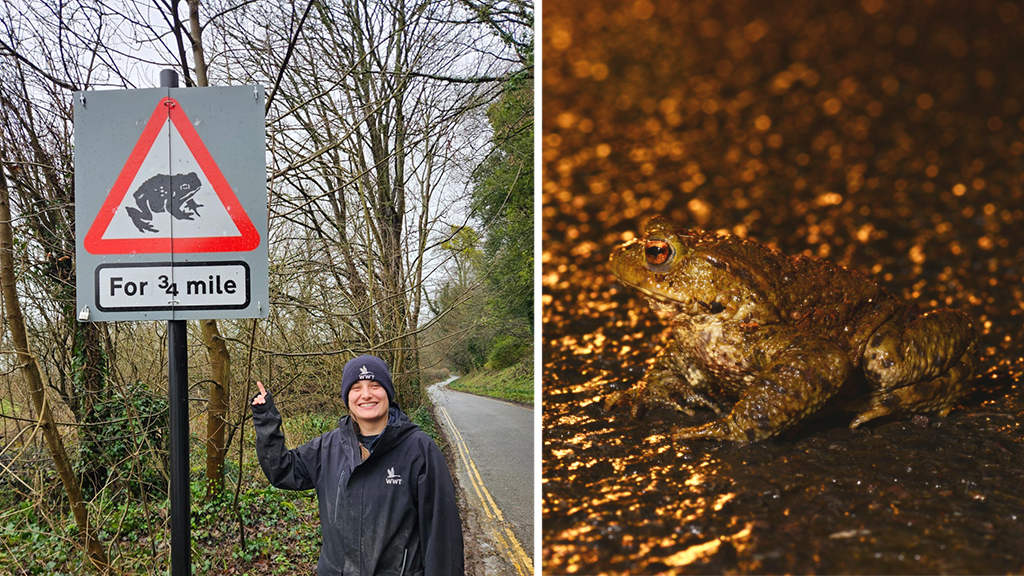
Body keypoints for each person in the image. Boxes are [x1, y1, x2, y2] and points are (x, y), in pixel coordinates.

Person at [251, 354, 464, 575]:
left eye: (375, 385)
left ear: (388, 392)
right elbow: (282, 470)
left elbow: (442, 536)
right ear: (347, 396)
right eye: (356, 387)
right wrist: (266, 419)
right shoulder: (327, 448)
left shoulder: (419, 450)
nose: (366, 395)